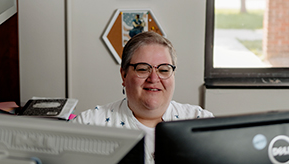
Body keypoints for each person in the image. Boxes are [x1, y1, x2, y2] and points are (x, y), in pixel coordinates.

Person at [72, 31, 214, 164]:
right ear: (124, 74)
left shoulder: (202, 123)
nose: (153, 78)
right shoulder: (89, 125)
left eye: (164, 70)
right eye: (142, 69)